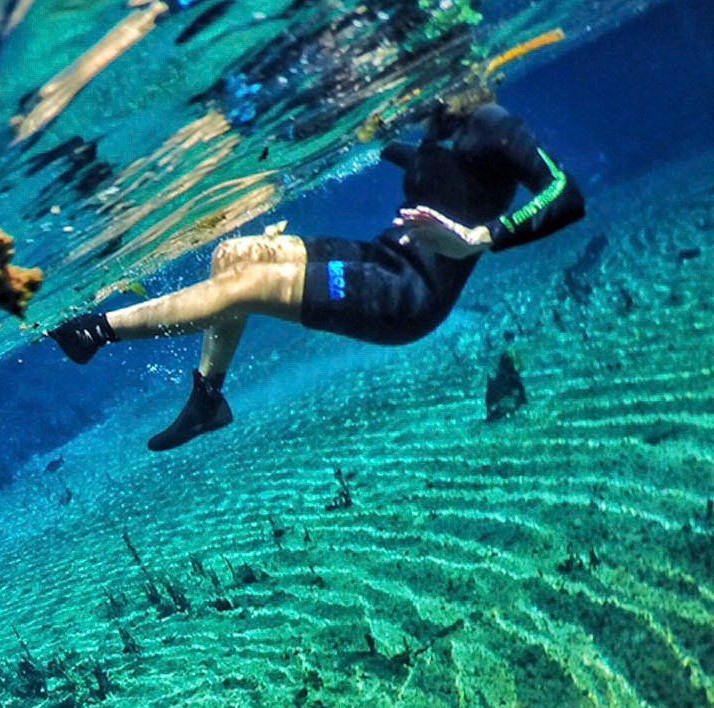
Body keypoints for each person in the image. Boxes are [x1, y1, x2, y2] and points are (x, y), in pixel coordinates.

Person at [50, 82, 584, 452]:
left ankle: (96, 331)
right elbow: (428, 165)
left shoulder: (495, 124)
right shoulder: (444, 124)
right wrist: (353, 131)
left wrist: (479, 237)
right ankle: (207, 401)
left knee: (248, 285)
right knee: (233, 256)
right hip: (379, 259)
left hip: (405, 295)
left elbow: (563, 192)